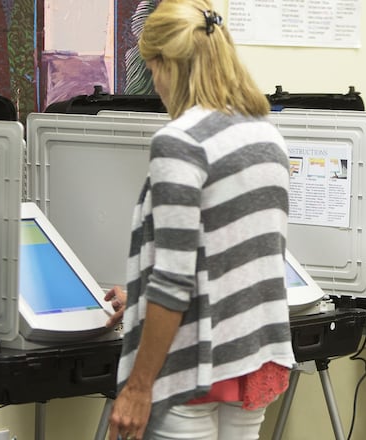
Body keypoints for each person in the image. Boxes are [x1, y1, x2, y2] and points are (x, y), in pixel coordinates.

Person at [104, 0, 296, 438]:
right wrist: (138, 300)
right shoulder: (268, 136)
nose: (155, 85)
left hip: (192, 366)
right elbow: (228, 257)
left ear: (167, 64)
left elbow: (175, 283)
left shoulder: (180, 143)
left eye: (152, 70)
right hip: (252, 358)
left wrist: (138, 387)